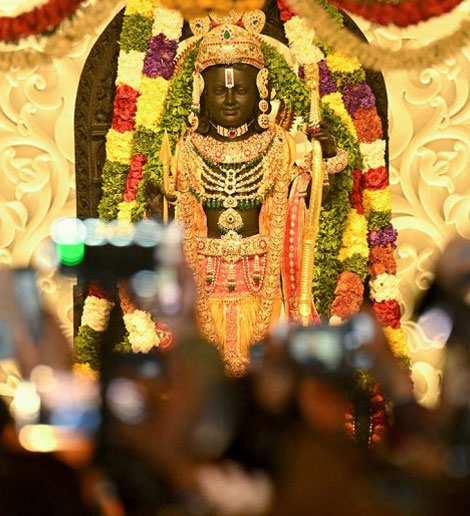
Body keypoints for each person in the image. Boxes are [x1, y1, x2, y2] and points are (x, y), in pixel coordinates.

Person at [162, 11, 343, 375]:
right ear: (200, 94)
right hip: (203, 282)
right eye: (219, 90)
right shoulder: (183, 150)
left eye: (240, 89)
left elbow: (320, 179)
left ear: (262, 92)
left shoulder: (283, 147)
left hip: (266, 281)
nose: (230, 100)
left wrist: (328, 152)